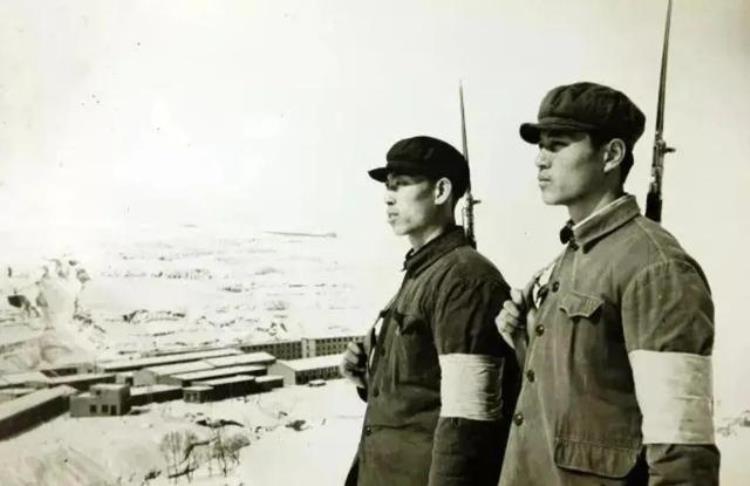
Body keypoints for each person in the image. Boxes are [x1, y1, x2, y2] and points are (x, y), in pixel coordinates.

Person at [497, 82, 719, 485]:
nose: (541, 160)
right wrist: (524, 338)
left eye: (557, 145)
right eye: (540, 147)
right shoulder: (571, 256)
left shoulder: (657, 268)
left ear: (611, 155)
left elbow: (682, 451)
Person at [341, 135, 520, 486]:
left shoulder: (465, 280)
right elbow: (422, 393)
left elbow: (468, 424)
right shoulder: (425, 271)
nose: (388, 197)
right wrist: (366, 378)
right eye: (388, 186)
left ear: (440, 191)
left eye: (401, 184)